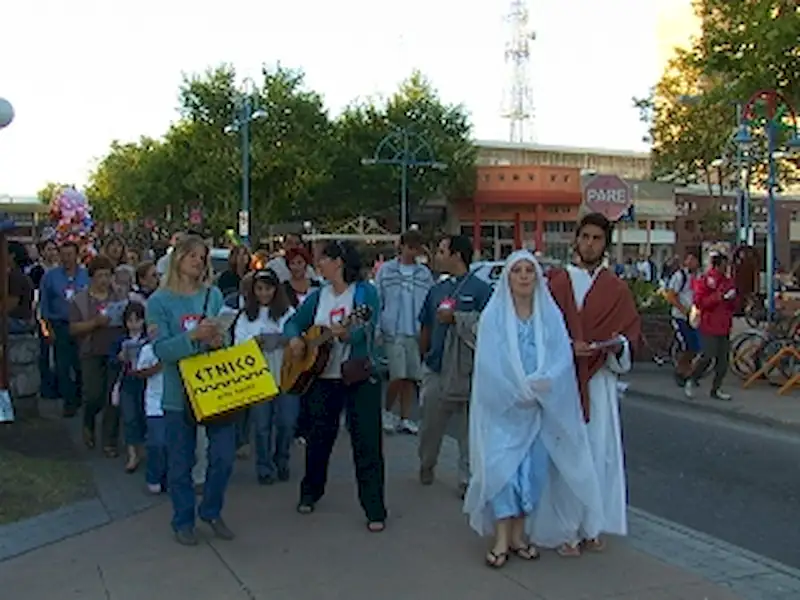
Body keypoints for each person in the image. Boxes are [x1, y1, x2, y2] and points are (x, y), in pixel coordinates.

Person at [465, 251, 603, 568]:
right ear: (508, 277)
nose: (525, 276)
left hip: (538, 409)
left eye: (530, 270)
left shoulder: (549, 315)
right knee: (503, 471)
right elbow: (488, 364)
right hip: (505, 409)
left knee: (533, 472)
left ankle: (518, 535)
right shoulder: (494, 317)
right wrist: (516, 389)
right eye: (518, 271)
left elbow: (559, 357)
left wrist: (543, 383)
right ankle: (500, 538)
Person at [548, 212, 641, 549]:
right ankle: (565, 528)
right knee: (566, 452)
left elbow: (630, 337)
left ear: (605, 244)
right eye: (585, 237)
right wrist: (567, 347)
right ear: (576, 239)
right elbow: (542, 331)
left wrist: (612, 347)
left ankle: (591, 526)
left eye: (596, 238)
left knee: (598, 452)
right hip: (564, 382)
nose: (589, 244)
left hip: (599, 381)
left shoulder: (616, 289)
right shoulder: (557, 283)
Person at [283, 240, 385, 531]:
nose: (319, 265)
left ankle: (374, 508)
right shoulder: (318, 296)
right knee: (318, 440)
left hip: (357, 376)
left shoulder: (365, 293)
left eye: (323, 259)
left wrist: (344, 335)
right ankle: (310, 491)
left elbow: (365, 328)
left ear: (338, 261)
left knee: (366, 441)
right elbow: (294, 323)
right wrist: (296, 340)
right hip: (322, 378)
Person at [147, 235, 236, 545]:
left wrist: (217, 340)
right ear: (178, 259)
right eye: (193, 256)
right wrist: (194, 337)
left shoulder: (212, 296)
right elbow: (161, 350)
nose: (199, 261)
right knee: (181, 462)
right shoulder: (159, 302)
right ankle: (183, 519)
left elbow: (223, 337)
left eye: (203, 256)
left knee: (224, 455)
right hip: (178, 393)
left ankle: (211, 509)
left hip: (213, 388)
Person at [418, 235, 492, 497]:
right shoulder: (436, 290)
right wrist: (424, 356)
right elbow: (425, 325)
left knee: (468, 431)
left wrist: (458, 318)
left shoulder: (482, 290)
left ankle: (466, 480)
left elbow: (490, 327)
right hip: (436, 368)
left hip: (468, 371)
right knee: (430, 425)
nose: (437, 257)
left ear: (457, 255)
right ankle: (427, 464)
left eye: (441, 251)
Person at [232, 269, 298, 484]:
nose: (264, 293)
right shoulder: (245, 315)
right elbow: (238, 344)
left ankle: (282, 458)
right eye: (259, 289)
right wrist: (255, 342)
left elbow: (296, 334)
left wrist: (285, 340)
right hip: (258, 376)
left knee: (287, 422)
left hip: (285, 372)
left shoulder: (287, 311)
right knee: (261, 425)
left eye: (268, 288)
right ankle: (264, 467)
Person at [375, 229, 434, 434]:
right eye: (409, 247)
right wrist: (378, 328)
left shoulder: (424, 274)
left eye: (415, 248)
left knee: (411, 376)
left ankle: (405, 417)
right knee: (397, 375)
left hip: (414, 330)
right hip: (393, 330)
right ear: (401, 246)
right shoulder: (386, 271)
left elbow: (429, 302)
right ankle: (387, 411)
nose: (411, 252)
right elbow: (379, 299)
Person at [69, 255, 127, 456]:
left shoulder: (119, 296)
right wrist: (95, 323)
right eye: (100, 275)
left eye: (108, 275)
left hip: (115, 352)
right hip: (91, 351)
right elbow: (73, 328)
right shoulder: (81, 299)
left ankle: (109, 441)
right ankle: (88, 421)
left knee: (113, 398)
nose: (104, 280)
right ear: (92, 277)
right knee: (94, 394)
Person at [40, 241, 90, 417]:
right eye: (64, 254)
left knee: (80, 363)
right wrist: (48, 328)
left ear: (77, 256)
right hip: (60, 324)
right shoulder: (50, 277)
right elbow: (44, 304)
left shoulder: (85, 275)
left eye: (70, 254)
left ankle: (80, 396)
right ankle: (69, 401)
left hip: (83, 326)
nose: (67, 258)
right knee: (62, 364)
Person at [684, 252, 736, 401]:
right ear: (717, 265)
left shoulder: (728, 281)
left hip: (724, 325)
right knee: (707, 355)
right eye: (724, 265)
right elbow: (700, 302)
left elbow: (733, 306)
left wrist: (732, 299)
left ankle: (716, 388)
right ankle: (692, 379)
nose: (726, 268)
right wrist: (719, 297)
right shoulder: (705, 280)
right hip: (709, 324)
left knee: (723, 361)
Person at [110, 302, 148, 472]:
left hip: (145, 382)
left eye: (137, 320)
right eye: (130, 320)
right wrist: (119, 358)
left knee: (143, 416)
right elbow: (110, 361)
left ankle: (141, 449)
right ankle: (132, 453)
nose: (133, 324)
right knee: (129, 417)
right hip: (127, 381)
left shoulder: (149, 339)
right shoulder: (120, 340)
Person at [134, 332, 167, 494]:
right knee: (157, 443)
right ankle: (153, 477)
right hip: (155, 403)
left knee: (174, 444)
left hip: (176, 403)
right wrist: (158, 367)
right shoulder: (148, 349)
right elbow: (139, 373)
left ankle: (168, 478)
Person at [665, 254, 700, 385]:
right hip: (680, 317)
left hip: (693, 317)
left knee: (695, 347)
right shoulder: (680, 276)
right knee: (686, 345)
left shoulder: (697, 277)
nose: (690, 262)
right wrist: (683, 310)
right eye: (688, 259)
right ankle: (680, 371)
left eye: (693, 259)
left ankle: (688, 371)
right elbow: (671, 295)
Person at [6, 241, 35, 333]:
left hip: (17, 321)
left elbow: (11, 303)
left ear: (12, 255)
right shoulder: (21, 274)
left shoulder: (15, 276)